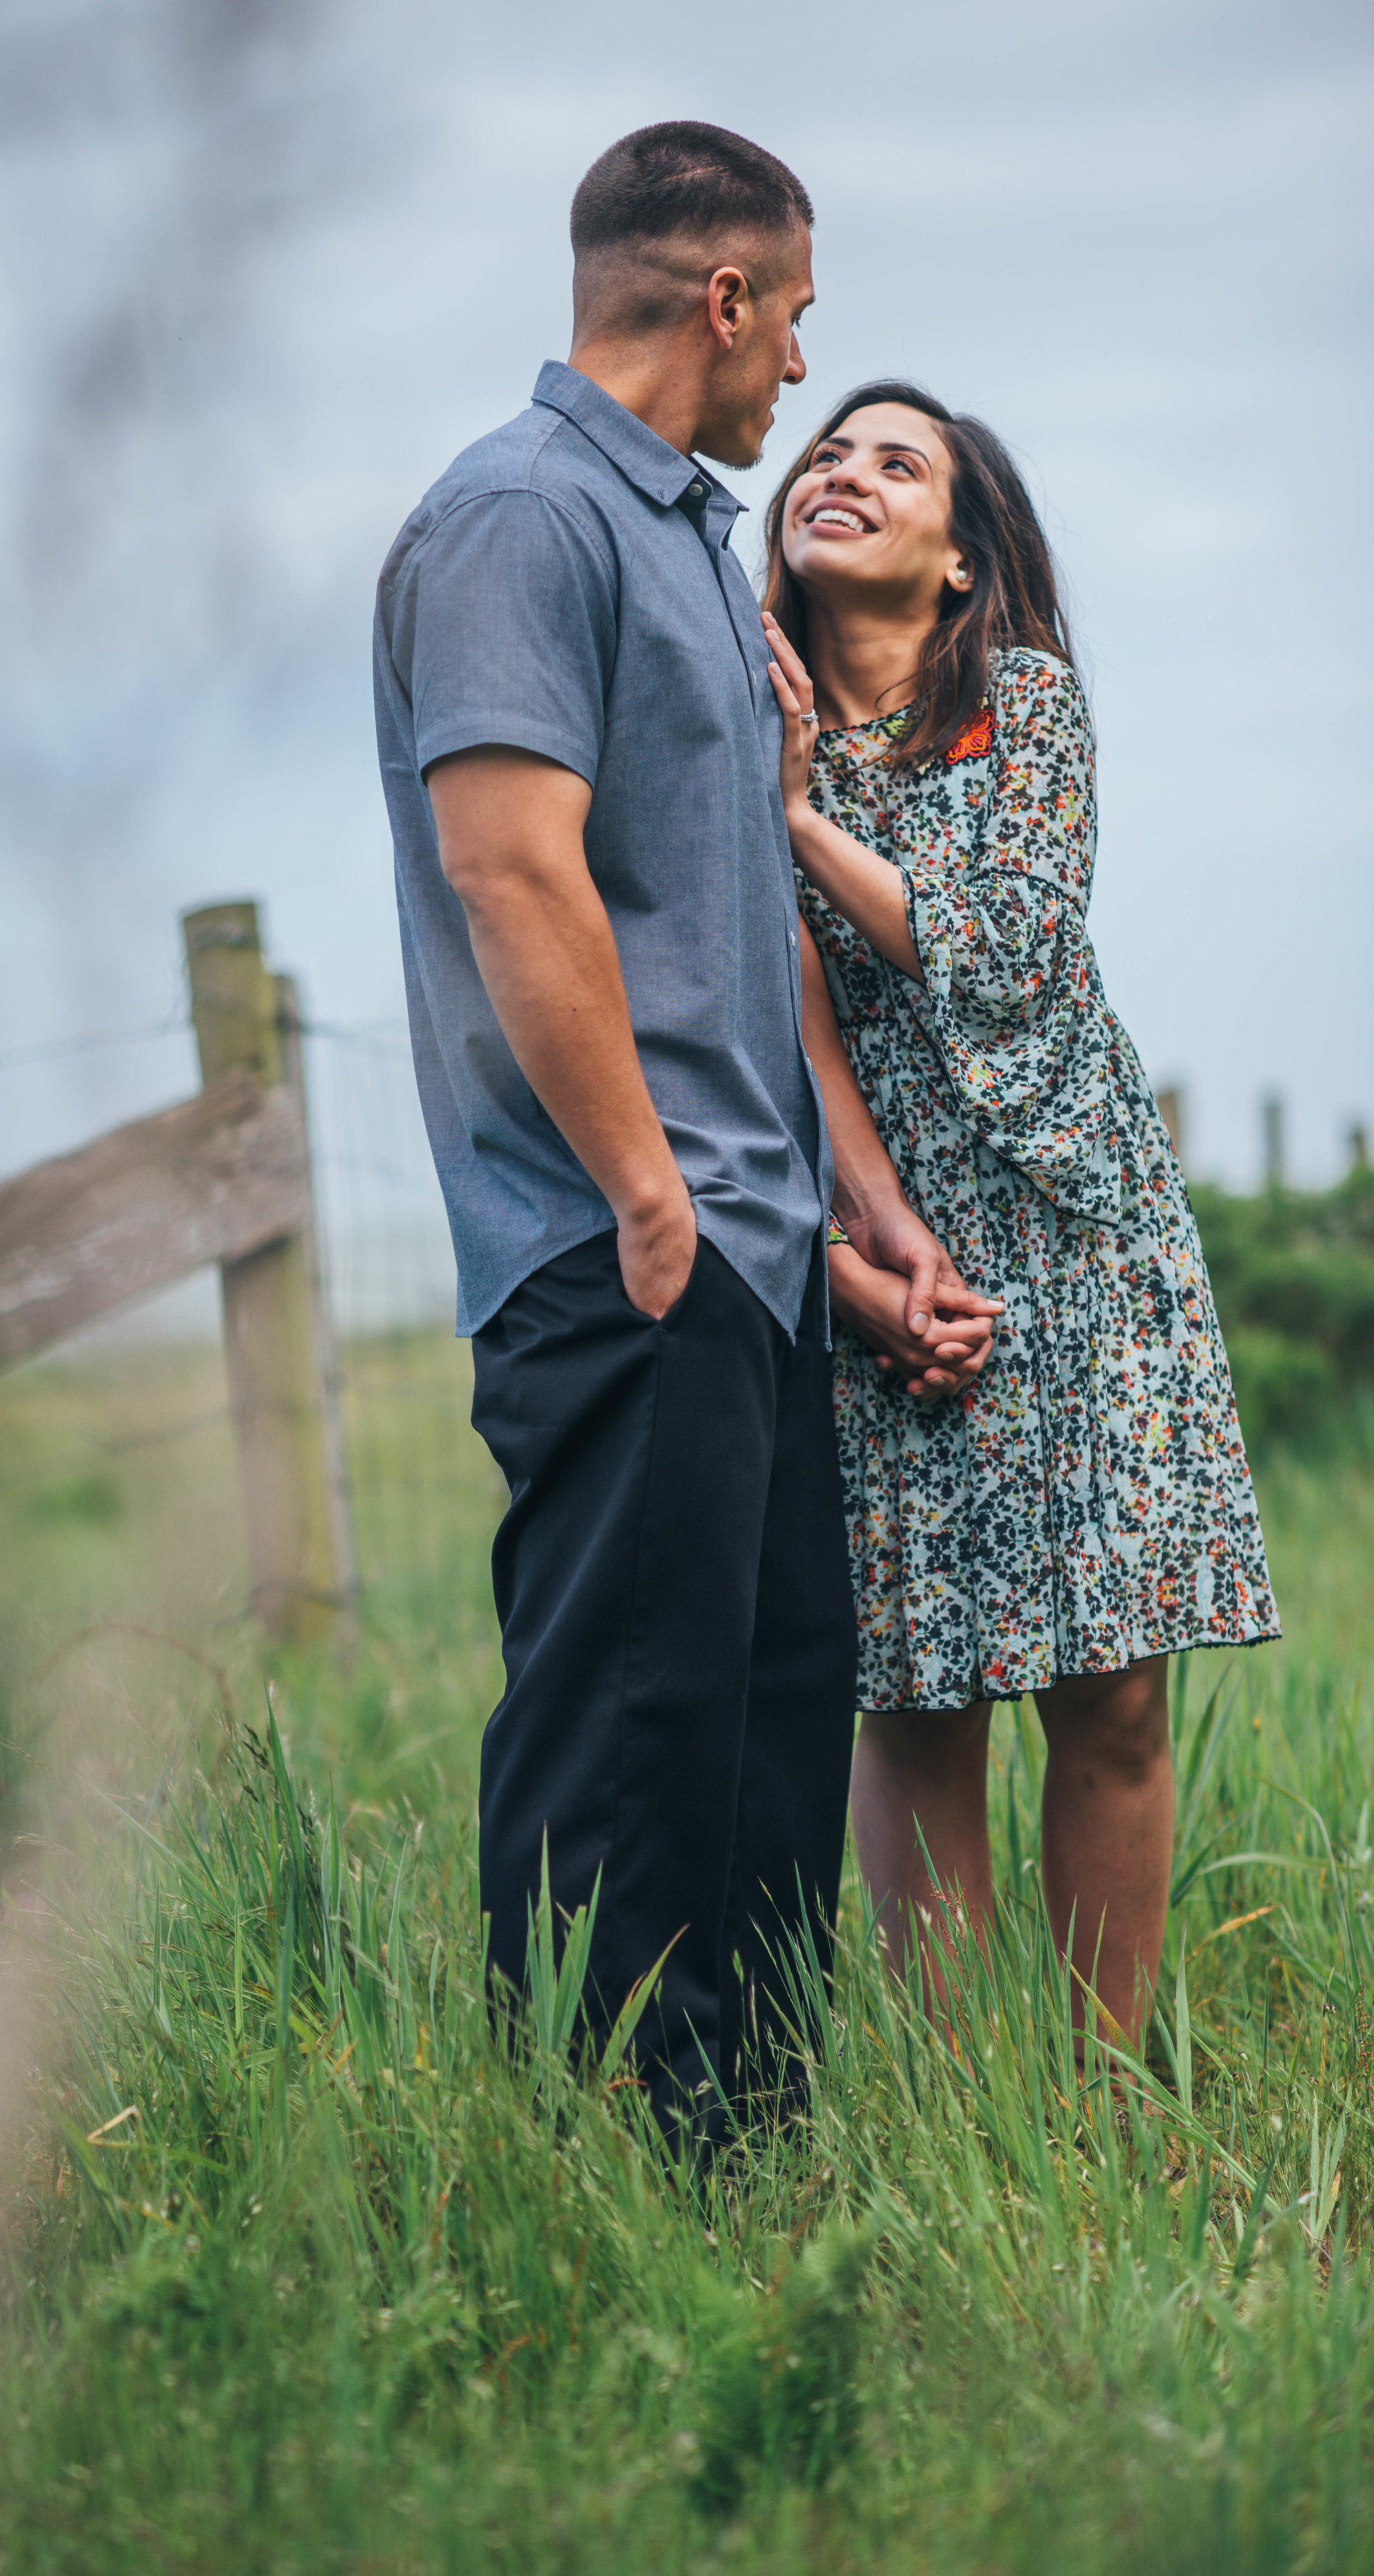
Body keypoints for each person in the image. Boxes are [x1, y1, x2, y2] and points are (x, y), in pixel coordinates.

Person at [373, 129, 1001, 2135]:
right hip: (615, 1245)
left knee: (758, 1730)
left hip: (744, 1249)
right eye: (793, 315)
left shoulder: (682, 546)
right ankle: (583, 2181)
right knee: (619, 1742)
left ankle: (740, 2164)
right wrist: (648, 1198)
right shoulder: (514, 519)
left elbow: (720, 944)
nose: (797, 368)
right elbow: (511, 874)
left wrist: (824, 1226)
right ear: (719, 296)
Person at [759, 380, 1280, 2057]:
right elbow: (759, 1013)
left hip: (1083, 1233)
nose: (839, 471)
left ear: (961, 564)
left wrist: (790, 821)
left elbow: (998, 946)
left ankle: (1101, 2101)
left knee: (1110, 1689)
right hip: (877, 1261)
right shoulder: (723, 716)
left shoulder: (1024, 712)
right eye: (823, 450)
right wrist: (854, 1260)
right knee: (919, 1696)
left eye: (891, 464)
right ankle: (955, 2113)